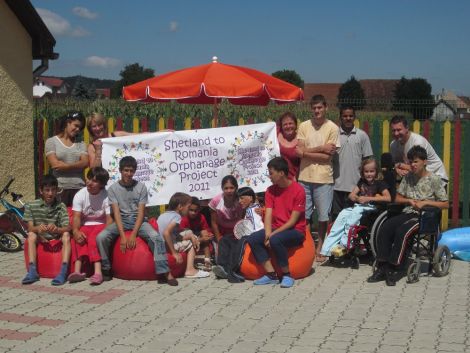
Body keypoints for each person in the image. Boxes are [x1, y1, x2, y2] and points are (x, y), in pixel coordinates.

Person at [369, 146, 449, 286]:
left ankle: (393, 268)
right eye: (411, 162)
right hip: (407, 212)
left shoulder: (434, 179)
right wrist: (408, 201)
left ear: (424, 162)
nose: (412, 165)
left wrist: (425, 203)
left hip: (425, 217)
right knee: (386, 227)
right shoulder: (408, 178)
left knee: (403, 232)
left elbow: (445, 204)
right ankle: (382, 266)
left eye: (416, 161)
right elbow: (398, 198)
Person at [95, 156, 177, 285]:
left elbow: (141, 212)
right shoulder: (113, 189)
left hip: (138, 221)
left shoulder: (141, 187)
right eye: (126, 170)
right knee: (101, 237)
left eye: (131, 171)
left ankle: (165, 272)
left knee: (156, 238)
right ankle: (106, 268)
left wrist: (133, 234)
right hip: (121, 220)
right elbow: (116, 213)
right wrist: (123, 236)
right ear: (120, 171)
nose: (128, 173)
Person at [246, 157, 306, 288]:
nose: (269, 176)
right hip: (276, 228)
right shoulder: (270, 190)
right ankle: (271, 275)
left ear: (281, 173)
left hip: (296, 231)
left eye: (271, 173)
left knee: (276, 240)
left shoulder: (299, 190)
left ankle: (287, 275)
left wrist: (272, 235)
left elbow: (293, 221)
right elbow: (268, 214)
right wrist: (268, 233)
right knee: (253, 238)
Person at [296, 95, 340, 262]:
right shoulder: (304, 126)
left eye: (319, 108)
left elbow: (327, 158)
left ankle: (320, 247)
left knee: (322, 217)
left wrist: (306, 153)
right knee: (304, 215)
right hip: (304, 178)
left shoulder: (333, 128)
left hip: (323, 179)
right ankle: (307, 246)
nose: (316, 111)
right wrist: (321, 148)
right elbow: (298, 152)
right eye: (314, 108)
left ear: (325, 108)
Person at [321, 158, 391, 257]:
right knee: (343, 214)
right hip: (360, 206)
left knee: (355, 213)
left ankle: (345, 244)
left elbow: (388, 198)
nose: (369, 174)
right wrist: (355, 197)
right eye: (366, 171)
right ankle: (327, 248)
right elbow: (351, 195)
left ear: (376, 172)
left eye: (372, 171)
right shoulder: (362, 181)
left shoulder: (380, 183)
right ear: (363, 172)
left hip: (373, 208)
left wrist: (368, 198)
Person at [22, 175, 71, 285]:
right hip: (40, 237)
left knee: (67, 234)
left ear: (57, 191)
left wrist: (57, 229)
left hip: (56, 237)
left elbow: (67, 227)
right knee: (31, 235)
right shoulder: (31, 205)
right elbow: (30, 227)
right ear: (41, 191)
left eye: (53, 190)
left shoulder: (61, 205)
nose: (50, 193)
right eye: (47, 190)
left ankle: (63, 272)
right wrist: (38, 229)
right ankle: (32, 271)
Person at [69, 167, 112, 285]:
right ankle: (77, 271)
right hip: (85, 224)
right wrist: (76, 231)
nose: (89, 182)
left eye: (94, 181)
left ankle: (98, 272)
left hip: (101, 224)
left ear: (101, 184)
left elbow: (109, 219)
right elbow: (76, 216)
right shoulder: (80, 195)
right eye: (88, 179)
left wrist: (105, 233)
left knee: (94, 239)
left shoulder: (107, 195)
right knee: (77, 238)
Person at [212, 186, 263, 283]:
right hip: (248, 233)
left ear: (251, 198)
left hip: (254, 236)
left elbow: (258, 228)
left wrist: (247, 236)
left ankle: (234, 270)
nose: (239, 201)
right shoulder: (249, 209)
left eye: (242, 198)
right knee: (225, 239)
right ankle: (222, 267)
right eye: (238, 199)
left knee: (239, 243)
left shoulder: (254, 210)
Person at [332, 105, 373, 219]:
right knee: (336, 218)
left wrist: (365, 183)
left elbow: (367, 161)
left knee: (353, 219)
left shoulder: (362, 135)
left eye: (350, 116)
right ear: (340, 117)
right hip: (337, 186)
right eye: (345, 116)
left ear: (354, 117)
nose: (348, 118)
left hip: (356, 186)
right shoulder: (334, 135)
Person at [158, 193, 210, 279]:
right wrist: (174, 253)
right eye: (188, 207)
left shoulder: (163, 215)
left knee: (188, 233)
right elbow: (166, 233)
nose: (189, 209)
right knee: (192, 240)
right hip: (168, 246)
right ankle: (190, 270)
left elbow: (174, 235)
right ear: (180, 207)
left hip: (162, 244)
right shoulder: (176, 216)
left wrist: (190, 236)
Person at [45, 111, 89, 206]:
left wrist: (66, 166)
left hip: (79, 189)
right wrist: (78, 165)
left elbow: (85, 163)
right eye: (76, 125)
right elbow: (55, 165)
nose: (78, 129)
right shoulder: (52, 142)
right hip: (60, 189)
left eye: (80, 128)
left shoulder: (81, 144)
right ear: (67, 122)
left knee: (77, 219)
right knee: (60, 219)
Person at [389, 115, 448, 184]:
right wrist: (396, 169)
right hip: (416, 178)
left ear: (407, 128)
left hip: (436, 177)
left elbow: (418, 167)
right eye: (393, 130)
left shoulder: (418, 142)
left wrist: (399, 165)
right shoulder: (393, 145)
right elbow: (394, 164)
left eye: (399, 130)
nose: (396, 133)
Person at [209, 175, 243, 278]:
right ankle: (223, 268)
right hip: (222, 231)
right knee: (223, 243)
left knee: (236, 247)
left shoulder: (241, 199)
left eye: (231, 188)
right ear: (222, 189)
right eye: (226, 188)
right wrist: (218, 237)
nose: (229, 191)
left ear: (236, 188)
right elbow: (214, 222)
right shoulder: (215, 201)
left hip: (238, 230)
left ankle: (231, 269)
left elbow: (244, 219)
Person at [180, 197, 214, 271]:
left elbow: (206, 229)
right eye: (191, 210)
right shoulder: (184, 219)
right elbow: (182, 237)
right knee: (199, 237)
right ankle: (190, 262)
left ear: (199, 209)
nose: (193, 213)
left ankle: (207, 261)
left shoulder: (201, 217)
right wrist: (201, 239)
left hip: (197, 238)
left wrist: (209, 235)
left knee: (204, 234)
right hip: (187, 241)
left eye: (195, 210)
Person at [277, 112, 300, 180]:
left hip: (294, 179)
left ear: (296, 125)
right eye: (285, 124)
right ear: (281, 126)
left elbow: (303, 162)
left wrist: (296, 177)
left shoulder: (301, 138)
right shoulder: (275, 133)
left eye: (290, 123)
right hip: (277, 179)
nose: (288, 126)